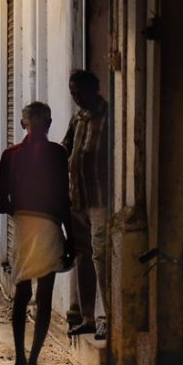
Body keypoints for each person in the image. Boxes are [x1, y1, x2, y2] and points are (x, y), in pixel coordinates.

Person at [0, 102, 75, 365]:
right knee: (44, 297)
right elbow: (64, 201)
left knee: (21, 293)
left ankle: (19, 362)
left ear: (22, 125)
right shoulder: (57, 154)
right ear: (49, 124)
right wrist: (72, 238)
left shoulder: (10, 155)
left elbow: (0, 201)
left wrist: (19, 207)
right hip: (50, 225)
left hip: (24, 226)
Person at [62, 70, 110, 340]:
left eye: (80, 92)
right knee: (83, 257)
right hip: (78, 199)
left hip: (100, 200)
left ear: (95, 89)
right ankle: (88, 317)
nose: (77, 98)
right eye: (73, 94)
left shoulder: (109, 116)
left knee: (101, 257)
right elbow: (65, 149)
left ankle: (106, 317)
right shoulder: (77, 119)